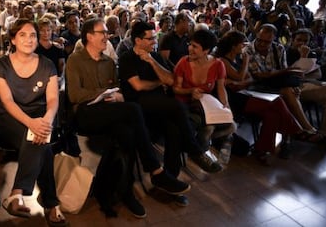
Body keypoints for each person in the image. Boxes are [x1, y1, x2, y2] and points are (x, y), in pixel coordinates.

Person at [66, 18, 190, 218]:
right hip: (86, 114)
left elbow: (119, 90)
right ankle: (155, 170)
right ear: (89, 36)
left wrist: (116, 95)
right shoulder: (75, 59)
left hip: (110, 112)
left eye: (107, 32)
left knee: (128, 134)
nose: (108, 36)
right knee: (133, 109)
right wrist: (105, 92)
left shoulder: (108, 62)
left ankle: (126, 191)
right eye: (103, 32)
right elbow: (74, 95)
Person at [118, 22, 223, 206]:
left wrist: (151, 61)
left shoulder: (155, 56)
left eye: (154, 37)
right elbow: (138, 86)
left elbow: (171, 80)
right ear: (138, 40)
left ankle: (169, 183)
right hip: (139, 108)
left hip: (160, 107)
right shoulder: (127, 58)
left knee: (174, 129)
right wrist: (158, 83)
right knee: (177, 106)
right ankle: (195, 150)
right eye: (150, 38)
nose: (154, 41)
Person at [0, 18, 68, 226]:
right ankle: (49, 202)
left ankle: (17, 194)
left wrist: (46, 120)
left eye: (33, 35)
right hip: (10, 119)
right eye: (22, 35)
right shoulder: (1, 66)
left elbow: (53, 99)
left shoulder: (47, 64)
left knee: (40, 142)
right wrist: (32, 124)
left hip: (41, 117)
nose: (29, 39)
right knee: (37, 138)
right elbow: (7, 101)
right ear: (13, 40)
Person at [216, 30, 303, 164]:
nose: (244, 46)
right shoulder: (223, 60)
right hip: (233, 99)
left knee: (272, 114)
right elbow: (239, 77)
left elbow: (248, 79)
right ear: (233, 46)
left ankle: (262, 149)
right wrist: (245, 65)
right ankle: (297, 131)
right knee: (277, 101)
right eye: (241, 44)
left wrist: (240, 82)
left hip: (244, 93)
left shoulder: (237, 59)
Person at [173, 29, 236, 165]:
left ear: (206, 50)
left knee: (231, 125)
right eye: (190, 44)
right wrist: (190, 91)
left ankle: (197, 147)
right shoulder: (183, 62)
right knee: (208, 127)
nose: (190, 48)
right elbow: (176, 88)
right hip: (185, 104)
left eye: (195, 46)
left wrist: (226, 106)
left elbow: (221, 88)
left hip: (205, 105)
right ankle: (200, 155)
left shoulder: (218, 64)